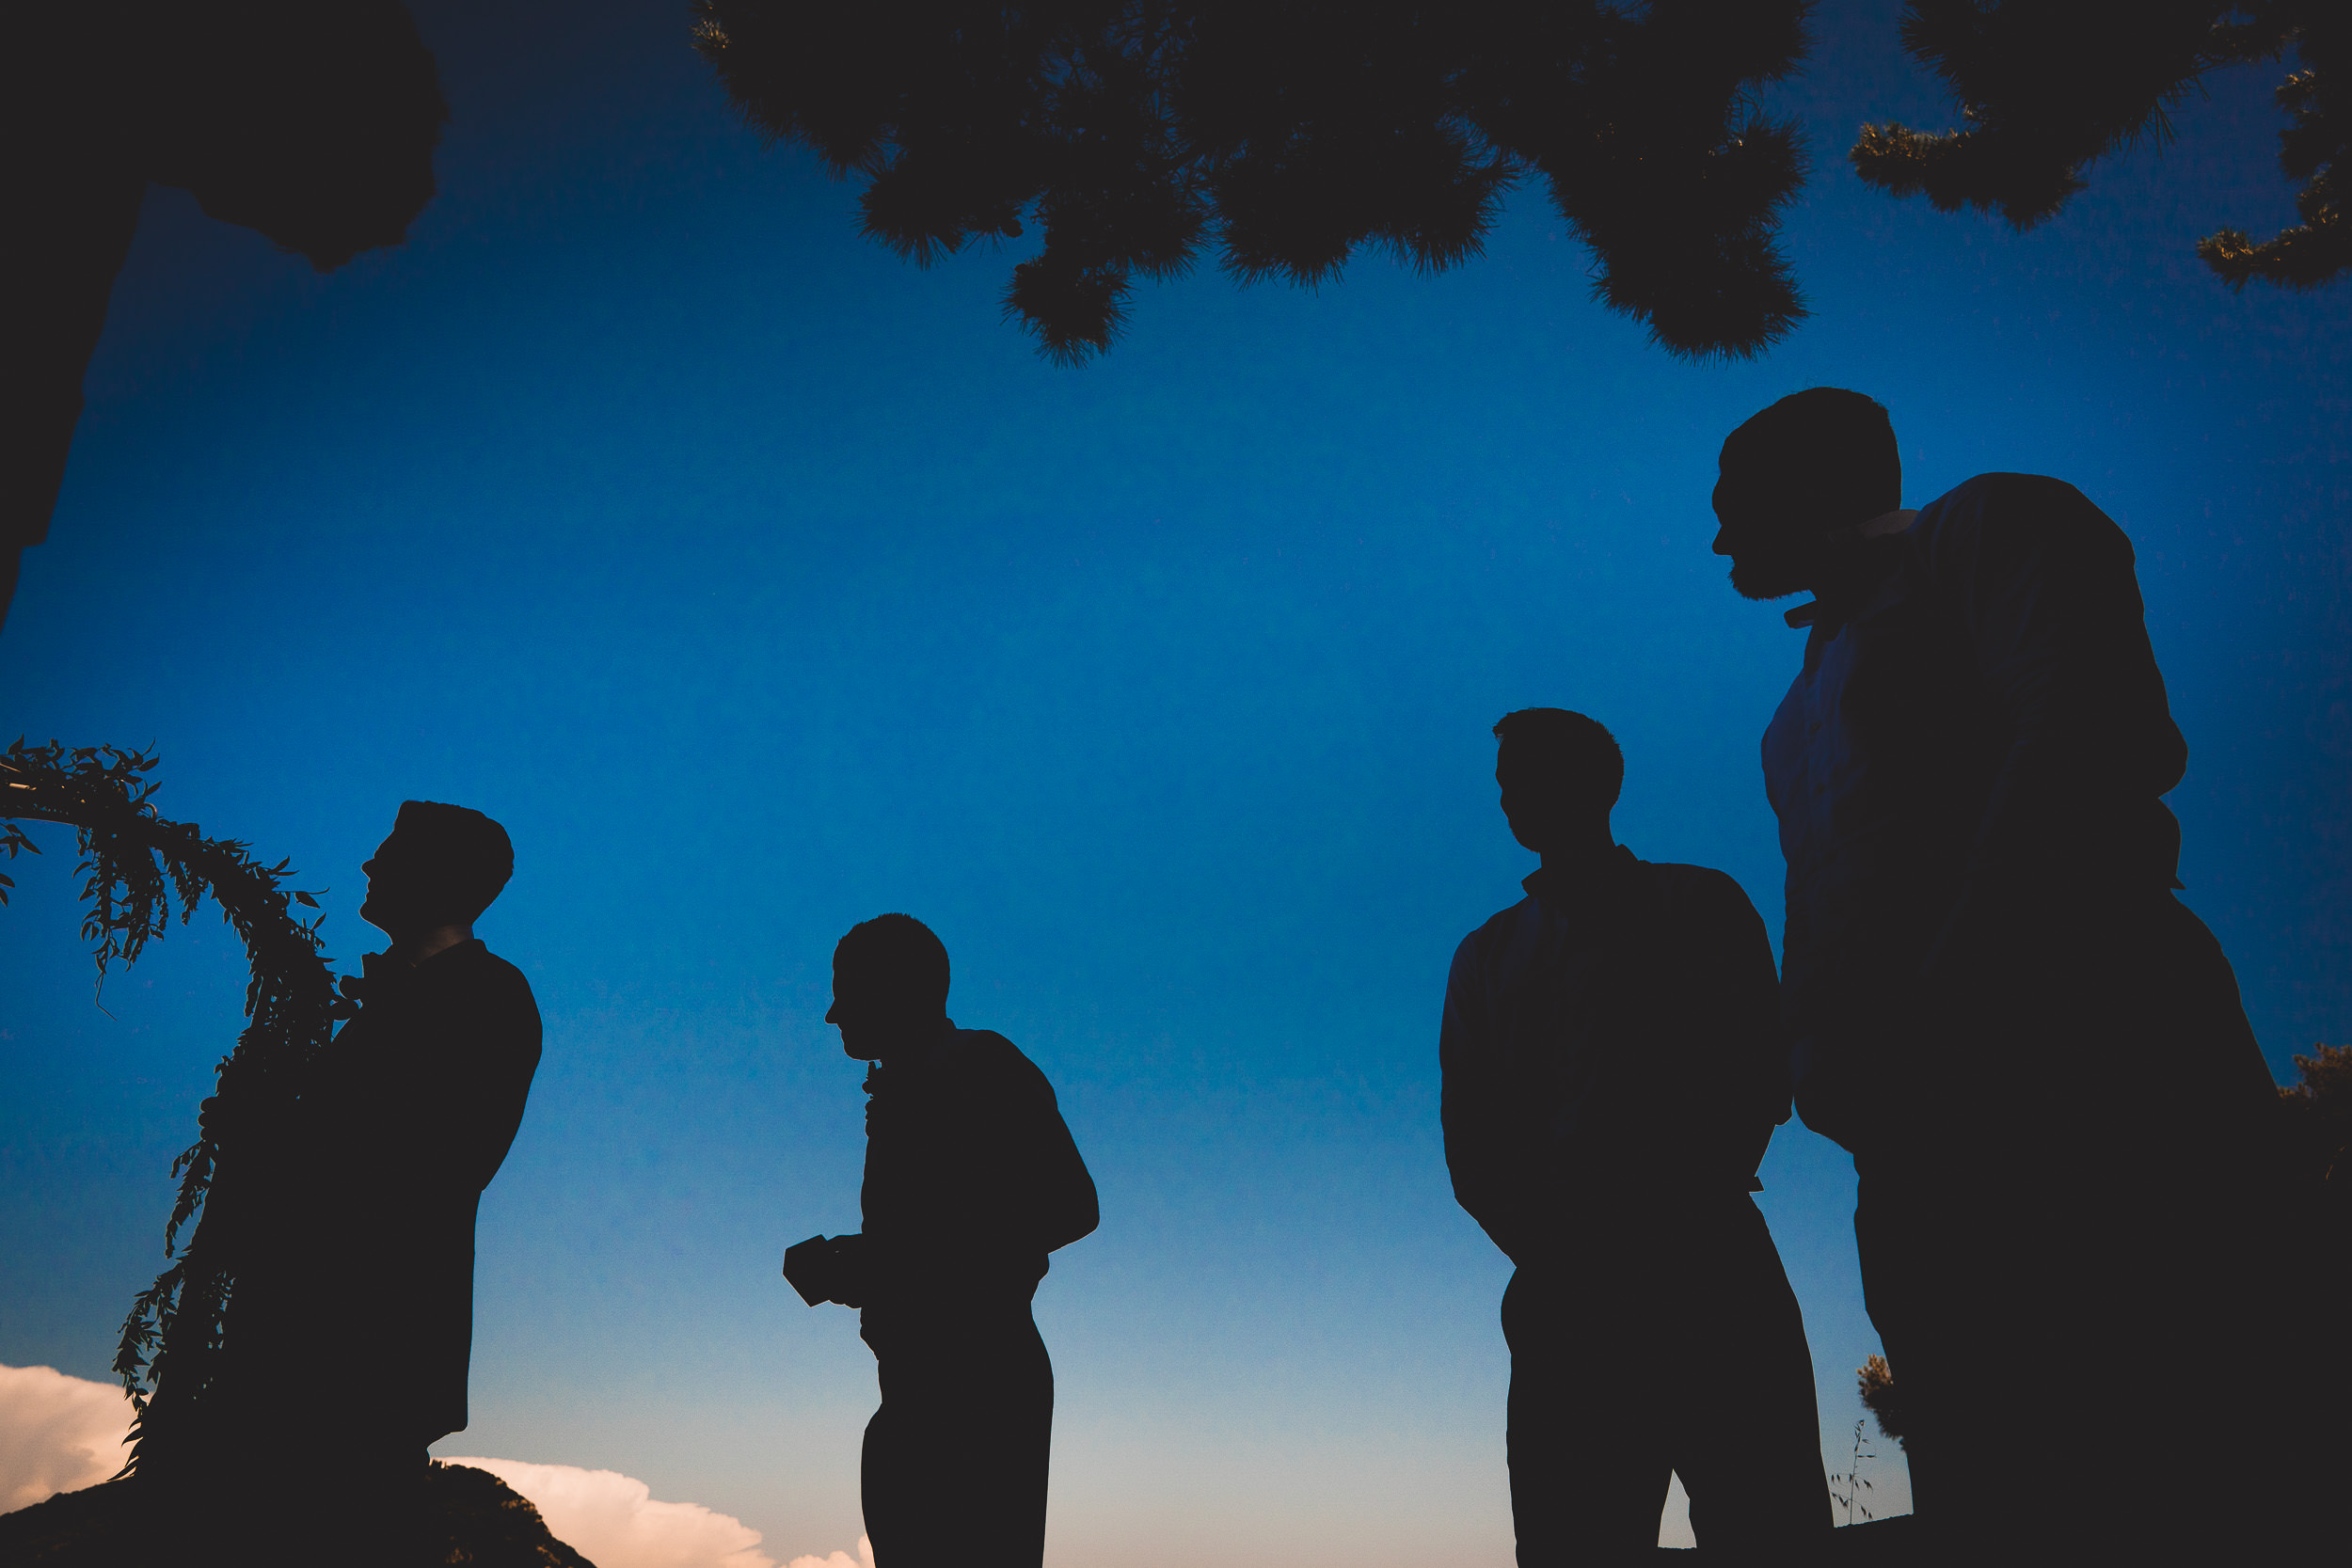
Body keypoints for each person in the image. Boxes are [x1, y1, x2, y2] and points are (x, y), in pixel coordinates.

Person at [1710, 388, 2299, 1560]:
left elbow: (2088, 726)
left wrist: (1946, 1001)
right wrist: (1817, 1062)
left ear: (1811, 485)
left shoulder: (1990, 526)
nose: (1717, 538)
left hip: (2092, 1054)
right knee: (1984, 1460)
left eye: (1730, 506)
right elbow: (1818, 891)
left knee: (2188, 1436)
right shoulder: (1790, 710)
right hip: (1909, 1127)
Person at [1440, 709, 1829, 1564]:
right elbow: (1472, 1146)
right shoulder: (1486, 957)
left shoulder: (1703, 905)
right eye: (1505, 781)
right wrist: (1556, 1251)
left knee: (1767, 1524)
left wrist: (1668, 1211)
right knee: (1577, 1537)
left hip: (1709, 1266)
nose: (1508, 797)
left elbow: (1759, 1073)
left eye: (1527, 776)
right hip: (1571, 1291)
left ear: (1598, 786)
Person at [215, 800, 541, 1564]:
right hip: (323, 1333)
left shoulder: (488, 995)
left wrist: (282, 1141)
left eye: (388, 853)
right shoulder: (411, 996)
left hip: (368, 1334)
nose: (368, 865)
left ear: (436, 879)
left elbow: (433, 1163)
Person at [786, 914, 1098, 1568]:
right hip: (919, 1387)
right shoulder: (914, 1083)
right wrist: (857, 1261)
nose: (832, 1013)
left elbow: (1070, 1206)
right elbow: (938, 1237)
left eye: (849, 990)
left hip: (976, 1389)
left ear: (897, 990)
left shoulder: (977, 1065)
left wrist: (879, 1263)